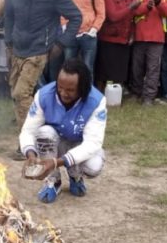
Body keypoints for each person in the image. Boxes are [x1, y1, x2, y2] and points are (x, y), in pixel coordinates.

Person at [4, 0, 82, 159]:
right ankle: (41, 135)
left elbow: (76, 17)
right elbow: (9, 14)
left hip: (39, 49)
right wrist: (8, 41)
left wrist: (61, 43)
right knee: (17, 96)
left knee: (21, 94)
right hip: (17, 48)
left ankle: (27, 144)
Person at [20, 58, 107, 204]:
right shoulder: (44, 95)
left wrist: (57, 162)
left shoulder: (96, 101)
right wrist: (31, 155)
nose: (63, 93)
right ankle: (53, 180)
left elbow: (93, 143)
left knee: (94, 166)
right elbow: (28, 130)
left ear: (83, 87)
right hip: (55, 143)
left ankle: (75, 176)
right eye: (60, 87)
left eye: (70, 90)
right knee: (44, 132)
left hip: (79, 145)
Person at [63, 0, 105, 76]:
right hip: (71, 33)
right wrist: (64, 26)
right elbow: (63, 10)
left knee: (87, 67)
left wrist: (94, 29)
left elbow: (101, 13)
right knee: (68, 66)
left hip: (88, 35)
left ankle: (87, 93)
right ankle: (70, 92)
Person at [95, 0, 136, 92]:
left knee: (119, 71)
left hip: (123, 39)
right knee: (103, 71)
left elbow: (131, 17)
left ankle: (115, 96)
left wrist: (132, 34)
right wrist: (130, 7)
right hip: (109, 39)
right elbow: (113, 16)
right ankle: (99, 94)